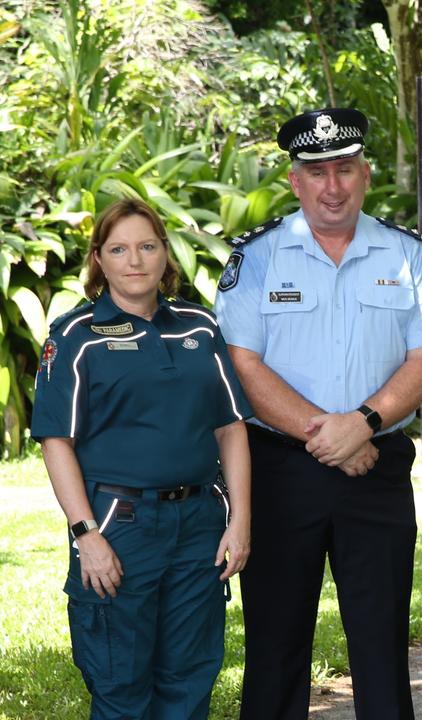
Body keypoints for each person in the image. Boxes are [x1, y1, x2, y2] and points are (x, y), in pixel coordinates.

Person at [214, 107, 422, 719]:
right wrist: (330, 435)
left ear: (365, 175)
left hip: (376, 472)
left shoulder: (403, 253)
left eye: (344, 169)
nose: (332, 185)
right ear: (295, 181)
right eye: (317, 171)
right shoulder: (259, 257)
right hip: (279, 473)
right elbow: (242, 363)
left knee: (381, 649)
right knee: (274, 650)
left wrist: (364, 424)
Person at [32, 197, 251, 719]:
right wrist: (87, 535)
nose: (136, 260)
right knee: (120, 685)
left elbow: (231, 427)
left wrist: (240, 521)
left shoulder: (199, 327)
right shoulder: (76, 337)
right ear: (99, 260)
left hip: (199, 525)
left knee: (190, 681)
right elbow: (55, 441)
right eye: (120, 249)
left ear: (164, 254)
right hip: (118, 526)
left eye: (147, 246)